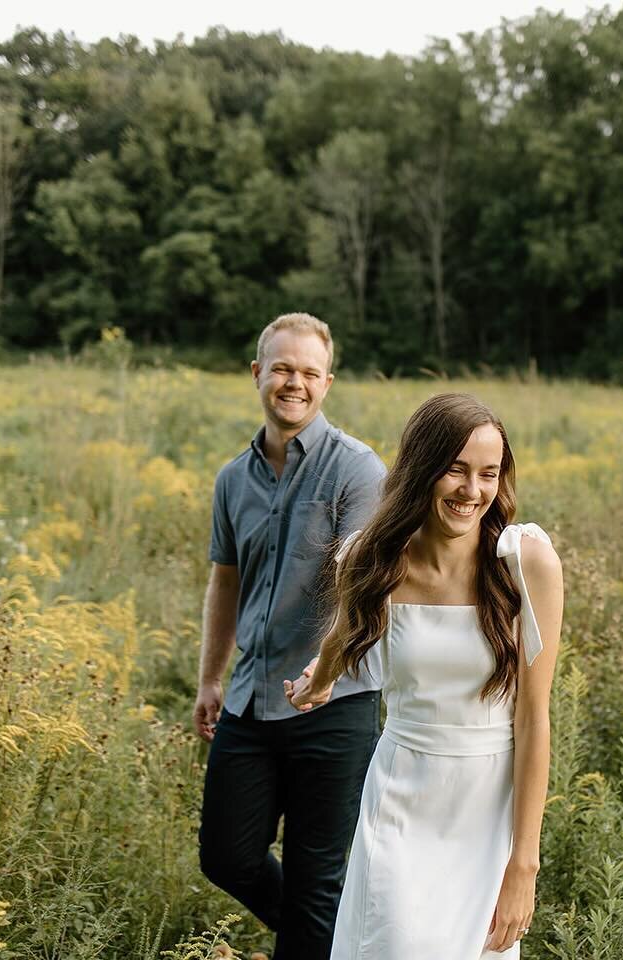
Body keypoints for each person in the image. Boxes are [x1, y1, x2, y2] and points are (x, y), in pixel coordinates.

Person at [285, 392, 564, 958]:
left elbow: (534, 721)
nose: (472, 491)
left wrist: (523, 865)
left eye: (488, 474)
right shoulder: (372, 557)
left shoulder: (525, 562)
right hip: (401, 795)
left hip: (486, 810)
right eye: (455, 470)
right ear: (421, 470)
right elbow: (346, 630)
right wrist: (321, 679)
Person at [193, 313, 387, 960]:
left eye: (308, 372)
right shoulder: (231, 480)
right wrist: (211, 679)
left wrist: (326, 667)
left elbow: (358, 584)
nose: (293, 383)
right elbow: (225, 583)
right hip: (251, 701)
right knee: (226, 856)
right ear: (257, 374)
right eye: (281, 368)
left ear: (327, 383)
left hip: (335, 707)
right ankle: (334, 942)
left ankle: (318, 937)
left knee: (315, 885)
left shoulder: (358, 472)